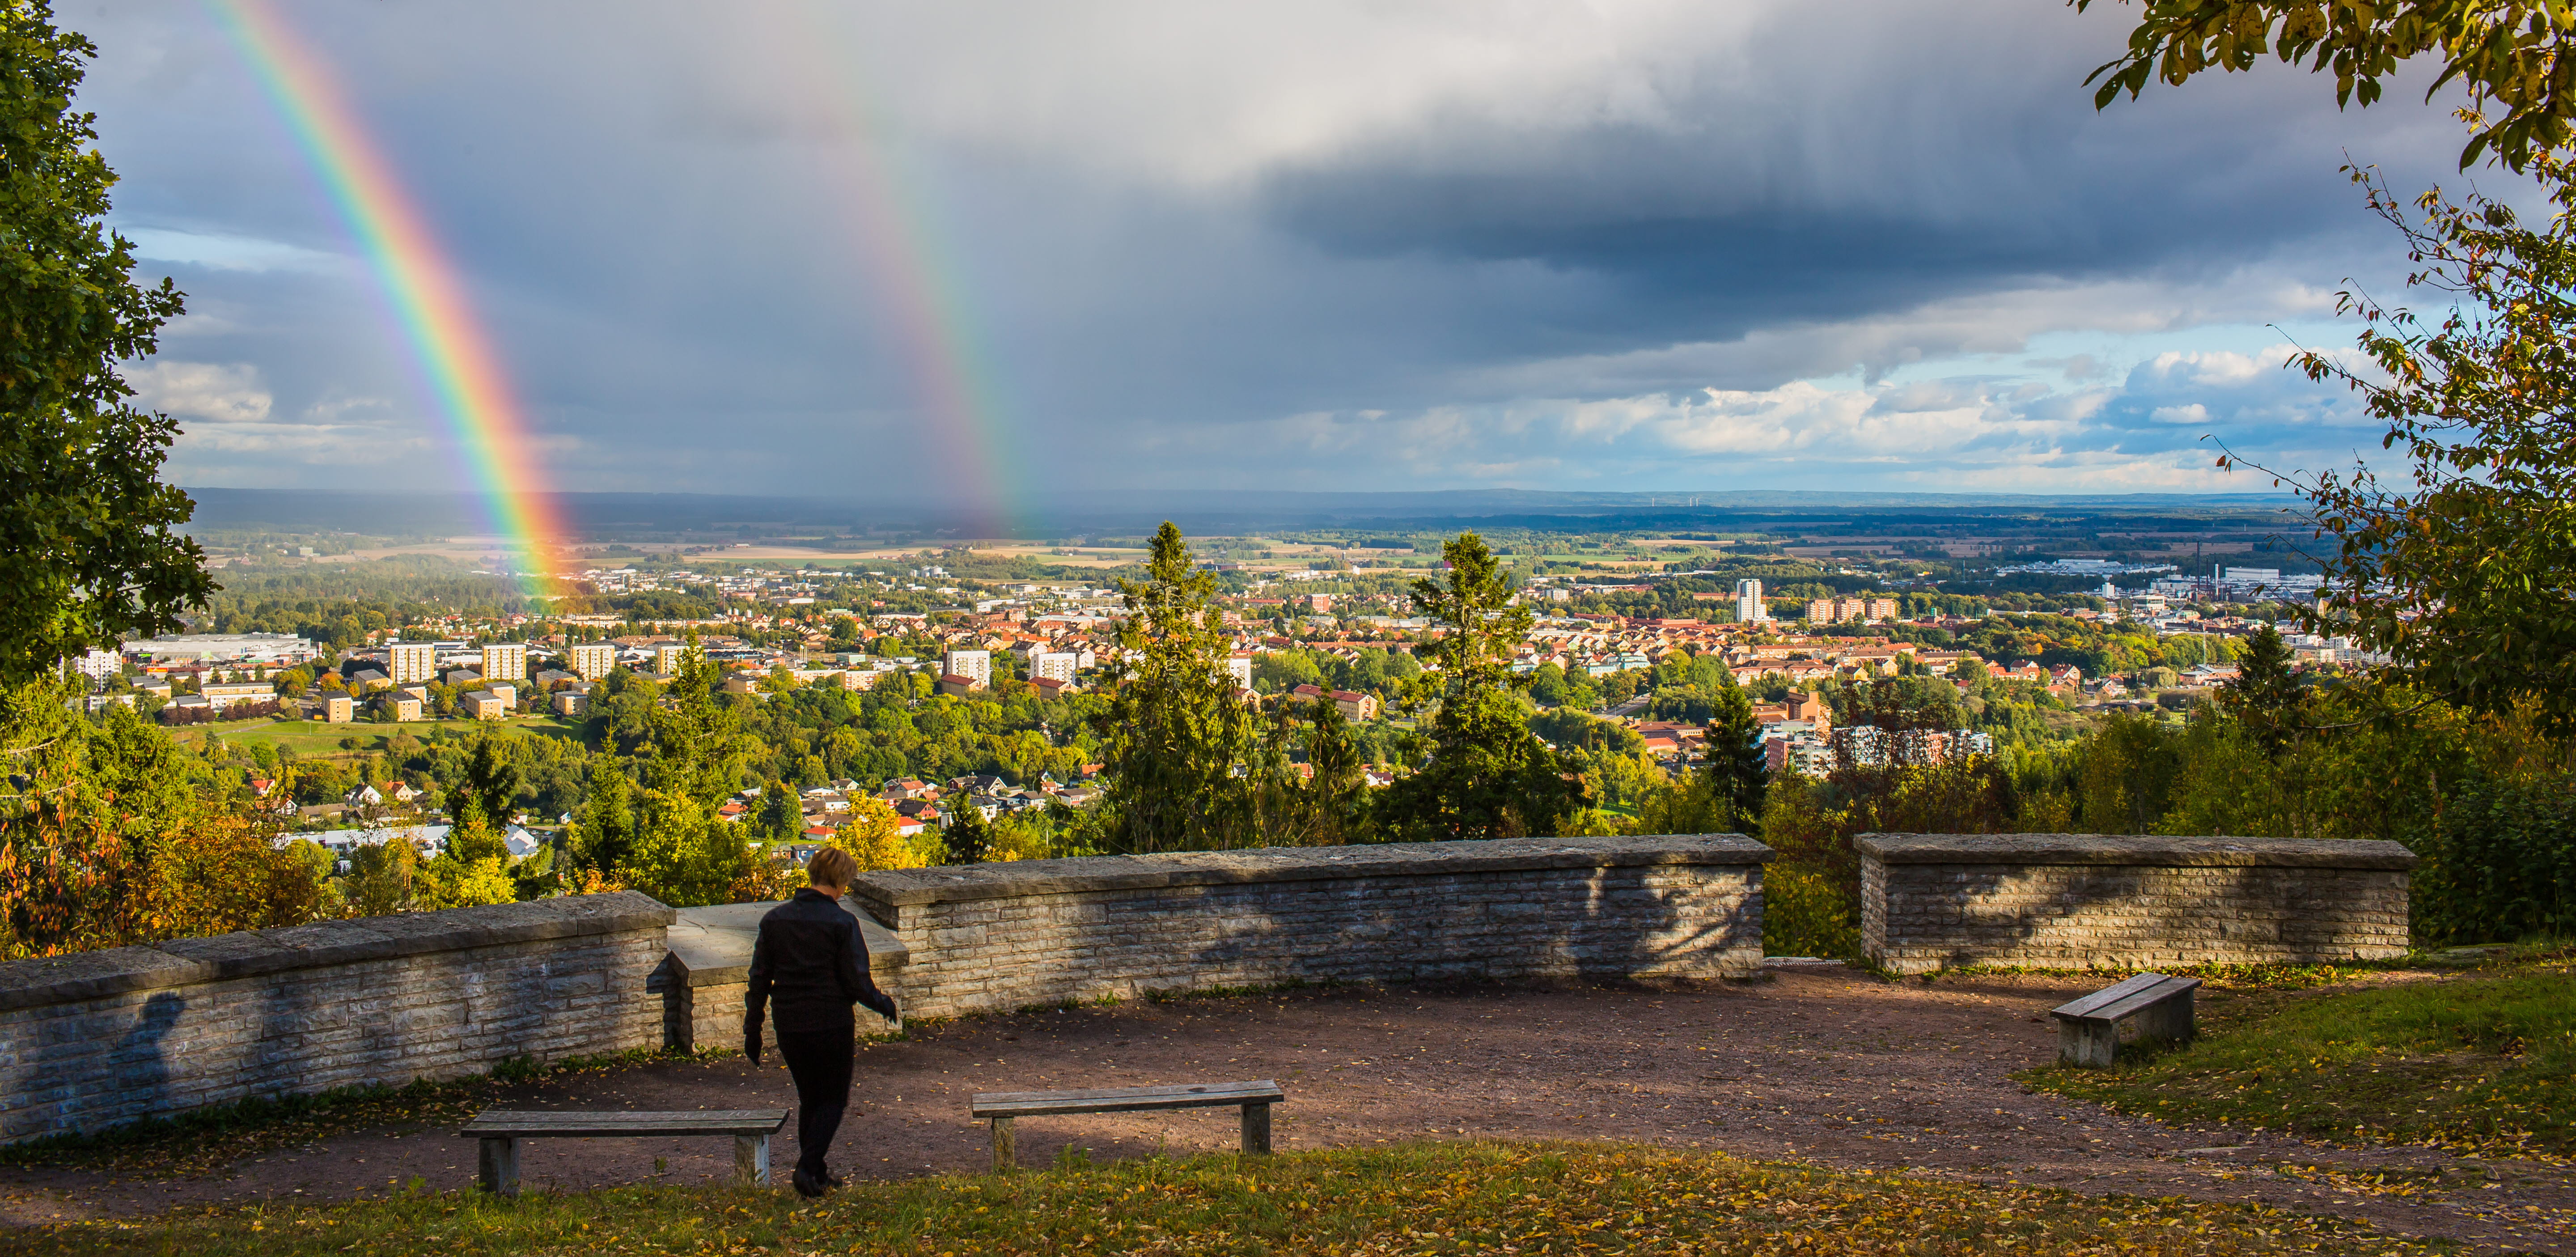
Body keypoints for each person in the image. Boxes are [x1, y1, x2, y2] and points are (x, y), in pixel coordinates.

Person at [745, 847, 899, 1197]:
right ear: (841, 882)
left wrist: (752, 1030)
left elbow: (759, 980)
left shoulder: (775, 920)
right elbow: (856, 981)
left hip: (789, 1024)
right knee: (833, 1099)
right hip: (831, 1022)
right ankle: (806, 1169)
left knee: (811, 1098)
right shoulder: (843, 923)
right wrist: (883, 1004)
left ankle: (816, 1174)